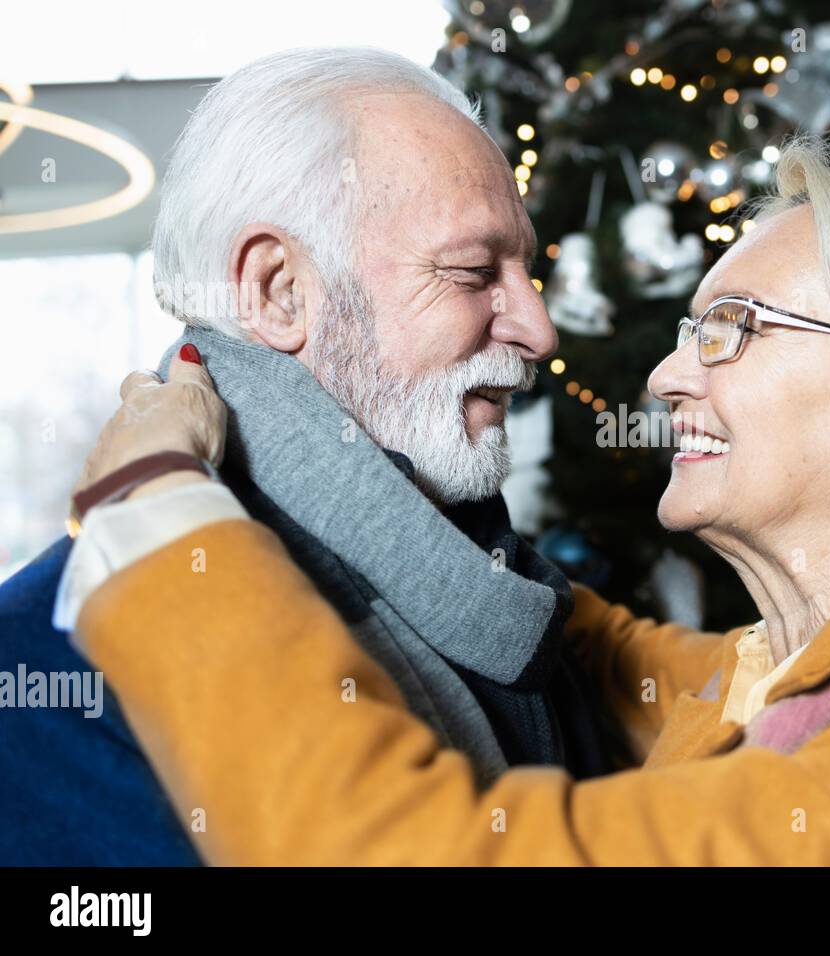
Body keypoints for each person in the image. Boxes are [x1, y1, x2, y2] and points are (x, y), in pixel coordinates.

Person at [61, 142, 830, 865]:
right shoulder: (799, 661)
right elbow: (601, 643)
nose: (666, 377)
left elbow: (404, 849)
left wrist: (152, 505)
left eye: (730, 328)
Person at [0, 48, 613, 865]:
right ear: (279, 290)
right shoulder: (44, 684)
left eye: (526, 270)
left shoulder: (507, 597)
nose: (540, 331)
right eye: (473, 272)